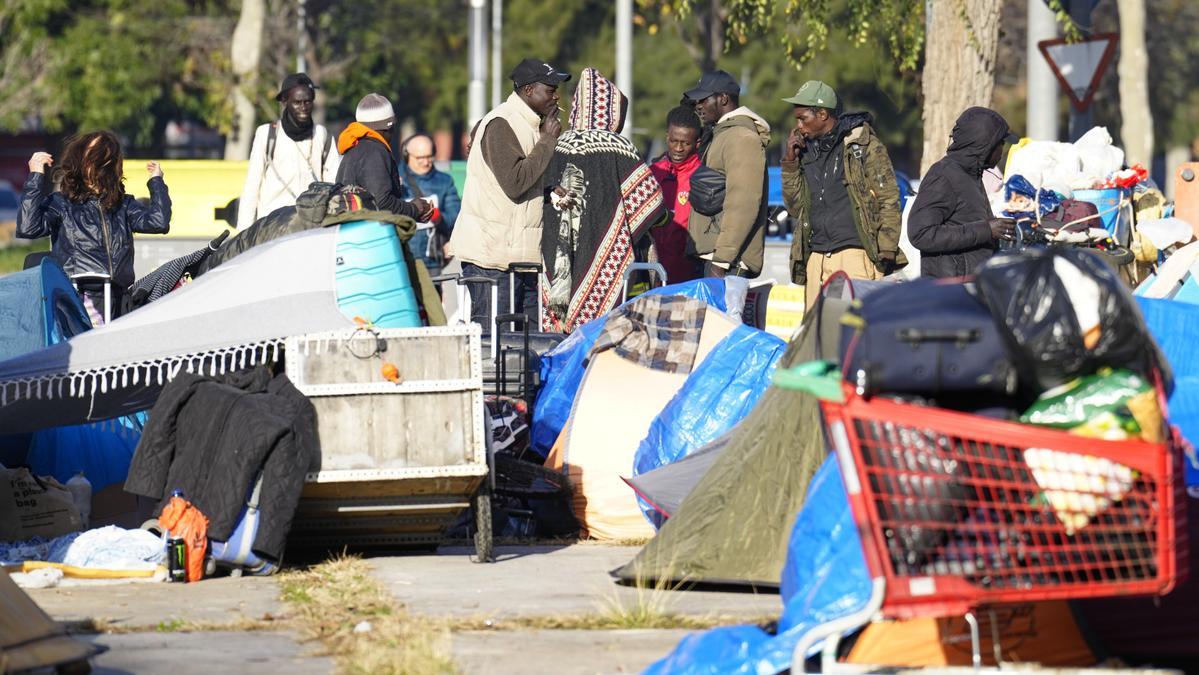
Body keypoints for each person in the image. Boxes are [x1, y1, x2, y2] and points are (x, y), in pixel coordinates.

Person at [541, 68, 665, 332]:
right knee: (598, 334)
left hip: (554, 250)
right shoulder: (618, 147)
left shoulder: (557, 143)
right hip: (603, 257)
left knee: (557, 337)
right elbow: (650, 201)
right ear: (611, 109)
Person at [450, 57, 569, 327]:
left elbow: (515, 186)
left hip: (519, 257)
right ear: (528, 90)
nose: (555, 96)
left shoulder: (529, 124)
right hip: (491, 260)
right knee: (495, 344)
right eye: (549, 89)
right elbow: (515, 182)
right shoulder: (501, 124)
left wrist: (547, 191)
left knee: (527, 347)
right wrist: (548, 141)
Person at [17, 131, 171, 323]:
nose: (96, 163)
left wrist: (156, 181)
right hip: (78, 295)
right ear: (80, 159)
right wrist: (36, 176)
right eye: (92, 155)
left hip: (117, 298)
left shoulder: (123, 204)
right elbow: (28, 227)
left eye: (103, 157)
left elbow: (158, 222)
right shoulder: (62, 203)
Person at [780, 80, 904, 304]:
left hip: (855, 255)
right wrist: (790, 163)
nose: (798, 125)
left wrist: (887, 247)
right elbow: (795, 207)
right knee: (818, 334)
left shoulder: (862, 144)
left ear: (823, 115)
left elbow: (889, 197)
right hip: (816, 258)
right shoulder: (805, 151)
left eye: (803, 118)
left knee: (852, 331)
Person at [908, 106, 1018, 278]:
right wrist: (986, 230)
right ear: (985, 145)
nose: (1002, 150)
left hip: (971, 286)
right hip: (948, 291)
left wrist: (997, 230)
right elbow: (921, 234)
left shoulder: (972, 174)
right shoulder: (943, 175)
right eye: (1000, 144)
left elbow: (965, 221)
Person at [684, 70, 769, 278]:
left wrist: (721, 262)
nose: (699, 106)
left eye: (703, 100)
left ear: (723, 98)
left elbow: (742, 204)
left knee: (722, 313)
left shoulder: (741, 138)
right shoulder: (722, 134)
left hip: (729, 265)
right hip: (719, 260)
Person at [237, 73, 339, 229]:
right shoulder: (267, 134)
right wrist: (243, 233)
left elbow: (333, 186)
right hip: (272, 228)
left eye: (308, 102)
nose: (304, 108)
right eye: (297, 102)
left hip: (311, 228)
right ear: (284, 102)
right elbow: (251, 187)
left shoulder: (322, 135)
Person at [336, 93, 432, 223]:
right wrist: (414, 208)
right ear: (388, 127)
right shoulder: (374, 152)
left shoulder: (354, 147)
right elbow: (381, 203)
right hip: (371, 237)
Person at [648, 106, 704, 284]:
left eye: (686, 143)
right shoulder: (653, 173)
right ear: (667, 137)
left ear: (697, 143)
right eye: (674, 141)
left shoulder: (703, 176)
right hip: (653, 272)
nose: (678, 148)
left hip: (689, 274)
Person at [399, 133, 461, 277]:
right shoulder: (395, 179)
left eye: (429, 156)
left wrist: (440, 218)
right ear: (407, 155)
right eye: (420, 158)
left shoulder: (445, 181)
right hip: (404, 255)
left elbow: (456, 214)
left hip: (433, 257)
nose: (426, 162)